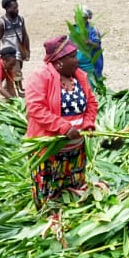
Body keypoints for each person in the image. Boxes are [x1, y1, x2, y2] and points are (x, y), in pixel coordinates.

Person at [25, 35, 97, 207]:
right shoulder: (40, 77)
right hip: (50, 152)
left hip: (75, 151)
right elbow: (36, 108)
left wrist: (88, 123)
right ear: (58, 62)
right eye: (72, 57)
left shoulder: (80, 76)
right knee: (50, 198)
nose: (77, 60)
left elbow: (92, 103)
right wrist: (63, 128)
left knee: (72, 193)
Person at [71, 6, 104, 83]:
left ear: (86, 19)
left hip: (92, 64)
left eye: (80, 18)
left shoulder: (92, 30)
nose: (77, 20)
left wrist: (89, 42)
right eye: (76, 17)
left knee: (93, 84)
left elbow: (97, 45)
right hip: (78, 65)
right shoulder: (74, 29)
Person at [0, 0, 30, 66]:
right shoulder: (2, 23)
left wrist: (28, 51)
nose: (17, 10)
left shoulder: (20, 19)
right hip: (10, 56)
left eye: (17, 7)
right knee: (17, 75)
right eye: (14, 8)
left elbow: (25, 35)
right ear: (7, 8)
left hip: (20, 55)